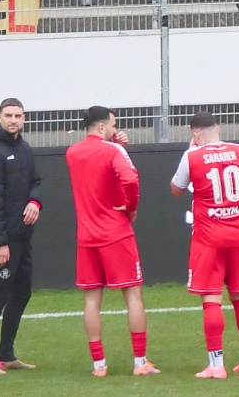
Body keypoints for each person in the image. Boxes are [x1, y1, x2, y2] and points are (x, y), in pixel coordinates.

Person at [166, 113, 239, 379]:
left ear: (195, 134)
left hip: (209, 238)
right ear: (218, 129)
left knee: (211, 300)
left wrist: (190, 151)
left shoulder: (192, 156)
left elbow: (176, 190)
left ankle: (216, 365)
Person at [66, 106, 155, 376]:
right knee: (133, 296)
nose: (117, 130)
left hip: (87, 235)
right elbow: (130, 178)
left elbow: (96, 168)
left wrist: (115, 144)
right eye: (113, 126)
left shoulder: (72, 153)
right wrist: (131, 206)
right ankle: (140, 362)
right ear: (102, 126)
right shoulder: (114, 151)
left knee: (91, 300)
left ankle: (99, 365)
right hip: (116, 233)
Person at [0, 98, 42, 375]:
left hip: (23, 236)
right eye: (8, 115)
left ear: (24, 118)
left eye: (18, 115)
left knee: (22, 292)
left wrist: (34, 202)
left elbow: (35, 181)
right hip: (3, 239)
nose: (13, 120)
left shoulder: (23, 148)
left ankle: (6, 354)